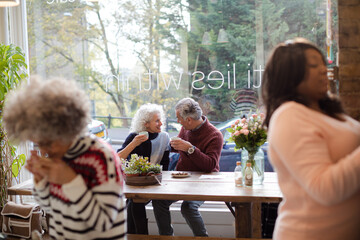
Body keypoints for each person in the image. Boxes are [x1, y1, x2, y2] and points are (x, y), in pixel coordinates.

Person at [3, 77, 126, 240]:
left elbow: (103, 223)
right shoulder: (58, 157)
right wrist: (41, 183)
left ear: (66, 128)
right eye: (39, 143)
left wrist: (70, 180)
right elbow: (53, 209)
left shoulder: (100, 157)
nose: (44, 150)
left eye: (47, 142)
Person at [261, 38, 360, 240]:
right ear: (290, 76)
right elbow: (324, 188)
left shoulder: (327, 111)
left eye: (323, 63)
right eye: (314, 66)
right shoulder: (289, 115)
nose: (324, 69)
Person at [152, 98, 223, 236]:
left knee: (188, 207)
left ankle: (202, 238)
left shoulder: (215, 135)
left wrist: (191, 149)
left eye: (179, 118)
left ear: (189, 119)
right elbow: (177, 148)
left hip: (204, 181)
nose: (178, 121)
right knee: (159, 201)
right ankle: (166, 237)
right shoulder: (185, 129)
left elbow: (210, 165)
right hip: (182, 179)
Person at [117, 103, 170, 235]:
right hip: (136, 183)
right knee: (134, 202)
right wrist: (134, 143)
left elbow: (166, 164)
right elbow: (117, 159)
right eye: (157, 121)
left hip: (156, 182)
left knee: (133, 203)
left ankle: (137, 235)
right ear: (146, 124)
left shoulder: (164, 137)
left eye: (161, 120)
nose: (161, 124)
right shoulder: (134, 137)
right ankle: (140, 234)